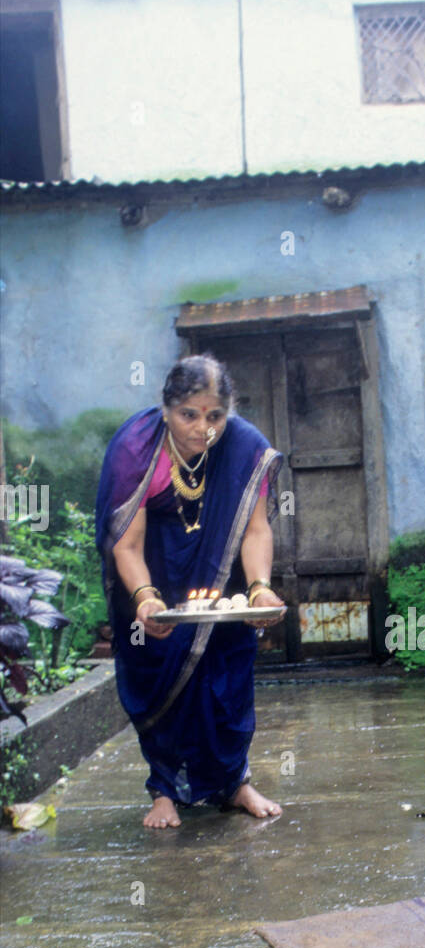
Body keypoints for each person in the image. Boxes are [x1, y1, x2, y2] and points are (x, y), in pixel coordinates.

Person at [95, 354, 286, 829]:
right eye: (189, 415)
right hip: (151, 576)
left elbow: (256, 529)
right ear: (166, 409)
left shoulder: (244, 448)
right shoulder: (135, 450)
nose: (204, 428)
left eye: (215, 415)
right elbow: (127, 543)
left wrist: (260, 588)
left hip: (222, 579)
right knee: (158, 676)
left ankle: (236, 783)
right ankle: (164, 789)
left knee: (228, 676)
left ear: (229, 412)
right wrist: (145, 598)